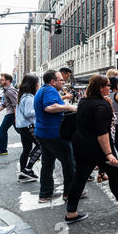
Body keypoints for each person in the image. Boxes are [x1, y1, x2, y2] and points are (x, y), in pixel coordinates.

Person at [65, 75, 118, 224]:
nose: (110, 88)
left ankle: (71, 212)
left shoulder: (84, 102)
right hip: (98, 148)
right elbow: (102, 132)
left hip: (81, 145)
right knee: (113, 172)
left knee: (80, 178)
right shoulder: (100, 106)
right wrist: (109, 153)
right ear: (100, 88)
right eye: (107, 85)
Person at [34, 70, 79, 203]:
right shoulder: (50, 90)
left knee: (47, 164)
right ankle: (70, 193)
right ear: (53, 82)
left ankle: (45, 194)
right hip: (54, 133)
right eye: (61, 80)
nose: (63, 82)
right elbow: (49, 107)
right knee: (69, 162)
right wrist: (70, 108)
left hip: (43, 133)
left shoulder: (42, 90)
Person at [16, 74, 41, 182]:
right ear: (33, 85)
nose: (39, 85)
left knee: (26, 149)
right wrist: (41, 109)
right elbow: (28, 113)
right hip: (28, 126)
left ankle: (23, 173)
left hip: (22, 126)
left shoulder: (23, 95)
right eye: (37, 83)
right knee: (41, 146)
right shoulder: (29, 97)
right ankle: (27, 169)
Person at [0, 74, 18, 156]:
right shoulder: (6, 90)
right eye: (0, 79)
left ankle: (2, 150)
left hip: (12, 114)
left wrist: (16, 117)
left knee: (2, 129)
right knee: (22, 132)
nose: (0, 81)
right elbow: (4, 104)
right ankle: (37, 147)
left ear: (8, 81)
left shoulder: (10, 91)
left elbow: (15, 105)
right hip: (12, 114)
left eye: (2, 80)